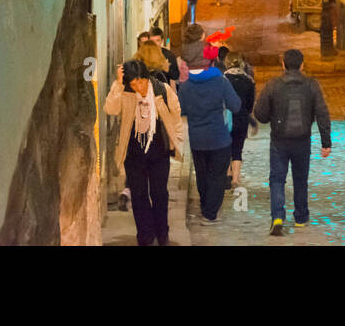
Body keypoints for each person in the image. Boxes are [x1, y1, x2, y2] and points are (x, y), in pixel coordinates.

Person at [104, 59, 185, 246]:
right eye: (134, 84)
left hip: (158, 151)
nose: (139, 87)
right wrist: (118, 84)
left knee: (159, 194)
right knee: (139, 195)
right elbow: (111, 108)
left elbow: (176, 113)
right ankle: (145, 235)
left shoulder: (161, 89)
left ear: (147, 78)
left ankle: (162, 233)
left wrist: (177, 140)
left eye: (141, 81)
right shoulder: (125, 93)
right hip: (133, 152)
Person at [253, 48, 332, 234]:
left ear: (283, 64)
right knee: (300, 179)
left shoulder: (274, 85)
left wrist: (270, 117)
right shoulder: (311, 85)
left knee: (277, 178)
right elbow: (322, 113)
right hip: (302, 140)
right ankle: (301, 217)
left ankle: (278, 216)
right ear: (302, 65)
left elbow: (260, 113)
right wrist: (326, 142)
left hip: (279, 140)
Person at [176, 24, 241, 225]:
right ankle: (210, 212)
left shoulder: (186, 87)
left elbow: (183, 110)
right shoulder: (220, 82)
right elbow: (236, 106)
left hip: (197, 139)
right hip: (219, 138)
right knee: (217, 175)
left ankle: (206, 207)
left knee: (203, 176)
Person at [224, 52, 256, 188]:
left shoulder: (222, 79)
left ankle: (227, 174)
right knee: (238, 149)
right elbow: (250, 104)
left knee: (225, 148)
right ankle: (235, 179)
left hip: (226, 119)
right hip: (242, 118)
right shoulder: (249, 81)